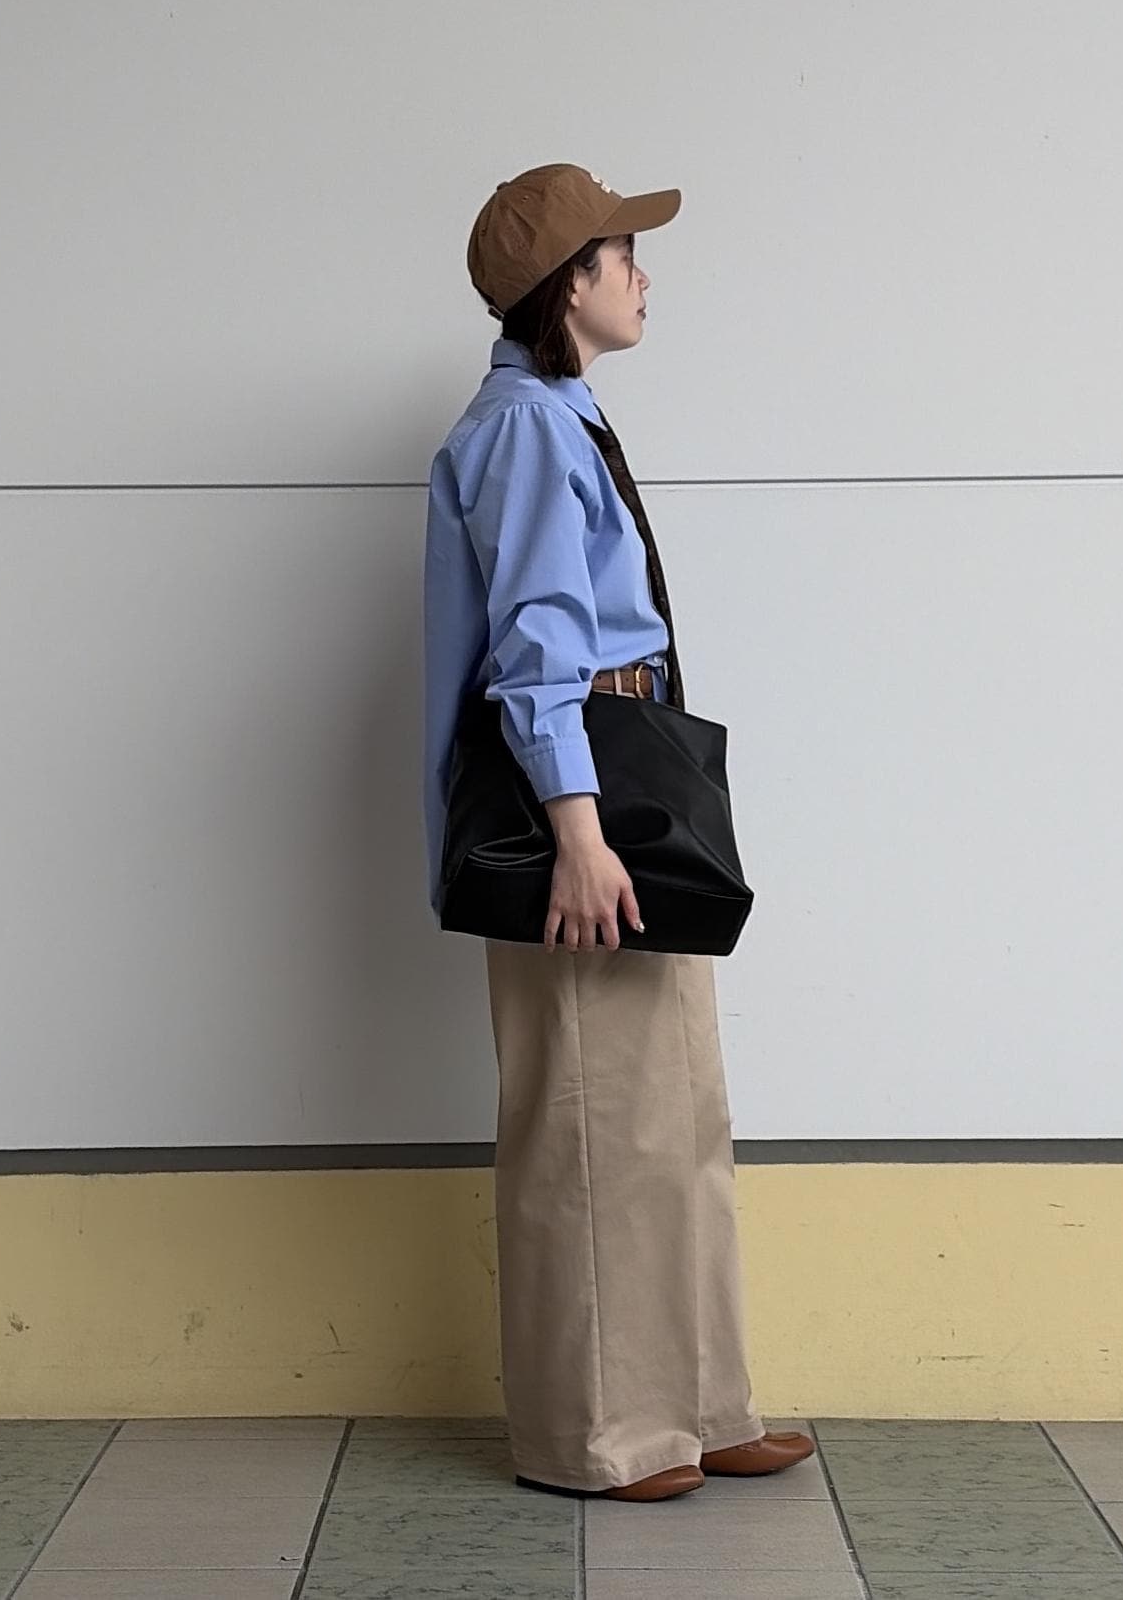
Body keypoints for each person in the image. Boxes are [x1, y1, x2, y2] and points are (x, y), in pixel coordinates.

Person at [422, 163, 815, 1502]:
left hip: (627, 781)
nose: (643, 276)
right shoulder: (528, 429)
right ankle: (598, 1433)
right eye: (621, 255)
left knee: (678, 1117)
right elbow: (535, 650)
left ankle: (698, 1406)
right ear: (566, 283)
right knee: (591, 1132)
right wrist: (578, 836)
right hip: (582, 806)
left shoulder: (564, 413)